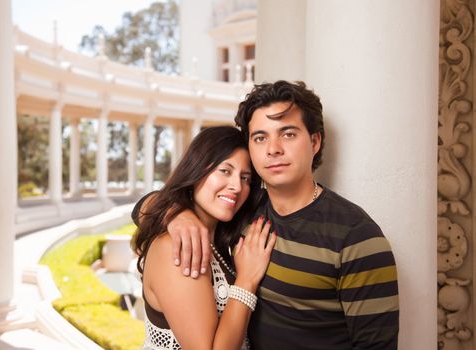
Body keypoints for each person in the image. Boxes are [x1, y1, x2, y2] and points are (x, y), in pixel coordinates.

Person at [133, 81, 399, 349]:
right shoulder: (241, 212)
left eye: (288, 134)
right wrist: (176, 214)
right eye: (260, 137)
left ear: (315, 141)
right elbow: (148, 208)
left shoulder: (355, 236)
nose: (273, 149)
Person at [132, 126, 276, 350]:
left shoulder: (220, 241)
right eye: (225, 171)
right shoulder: (178, 247)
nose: (237, 186)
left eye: (245, 178)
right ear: (196, 170)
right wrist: (247, 280)